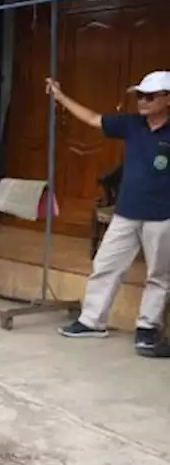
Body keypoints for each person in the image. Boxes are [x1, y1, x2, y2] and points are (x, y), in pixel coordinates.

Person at [51, 72, 170, 355]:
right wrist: (61, 97)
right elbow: (93, 119)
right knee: (105, 265)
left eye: (150, 96)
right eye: (140, 95)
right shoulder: (132, 125)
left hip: (162, 215)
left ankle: (148, 328)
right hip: (126, 212)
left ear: (168, 98)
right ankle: (92, 321)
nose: (142, 101)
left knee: (159, 275)